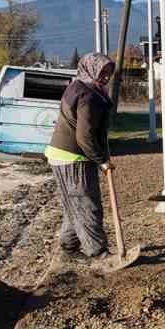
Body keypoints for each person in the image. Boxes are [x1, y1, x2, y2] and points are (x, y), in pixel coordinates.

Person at [45, 52, 117, 264]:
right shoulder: (89, 96)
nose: (106, 76)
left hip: (61, 154)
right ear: (90, 69)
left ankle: (69, 246)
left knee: (73, 204)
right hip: (73, 157)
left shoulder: (78, 86)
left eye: (109, 72)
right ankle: (98, 253)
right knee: (87, 205)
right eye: (102, 71)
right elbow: (84, 135)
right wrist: (101, 160)